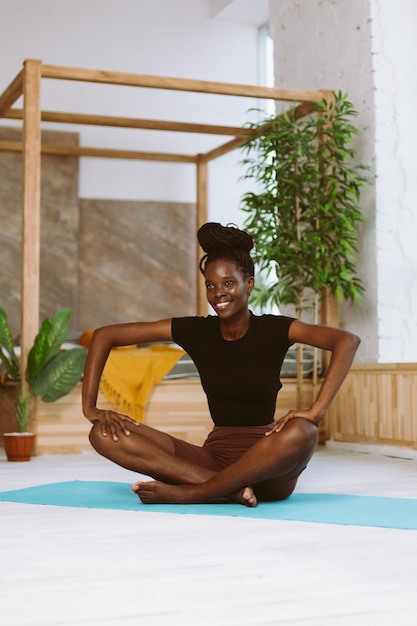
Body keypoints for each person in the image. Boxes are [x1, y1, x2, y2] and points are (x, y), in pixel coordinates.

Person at [82, 222, 360, 507]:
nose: (218, 293)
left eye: (228, 283)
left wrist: (315, 411)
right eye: (210, 285)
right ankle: (230, 489)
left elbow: (346, 341)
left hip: (270, 465)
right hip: (212, 460)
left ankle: (192, 492)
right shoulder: (197, 331)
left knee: (304, 431)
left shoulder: (274, 329)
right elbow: (106, 335)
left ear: (248, 284)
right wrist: (90, 408)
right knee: (102, 434)